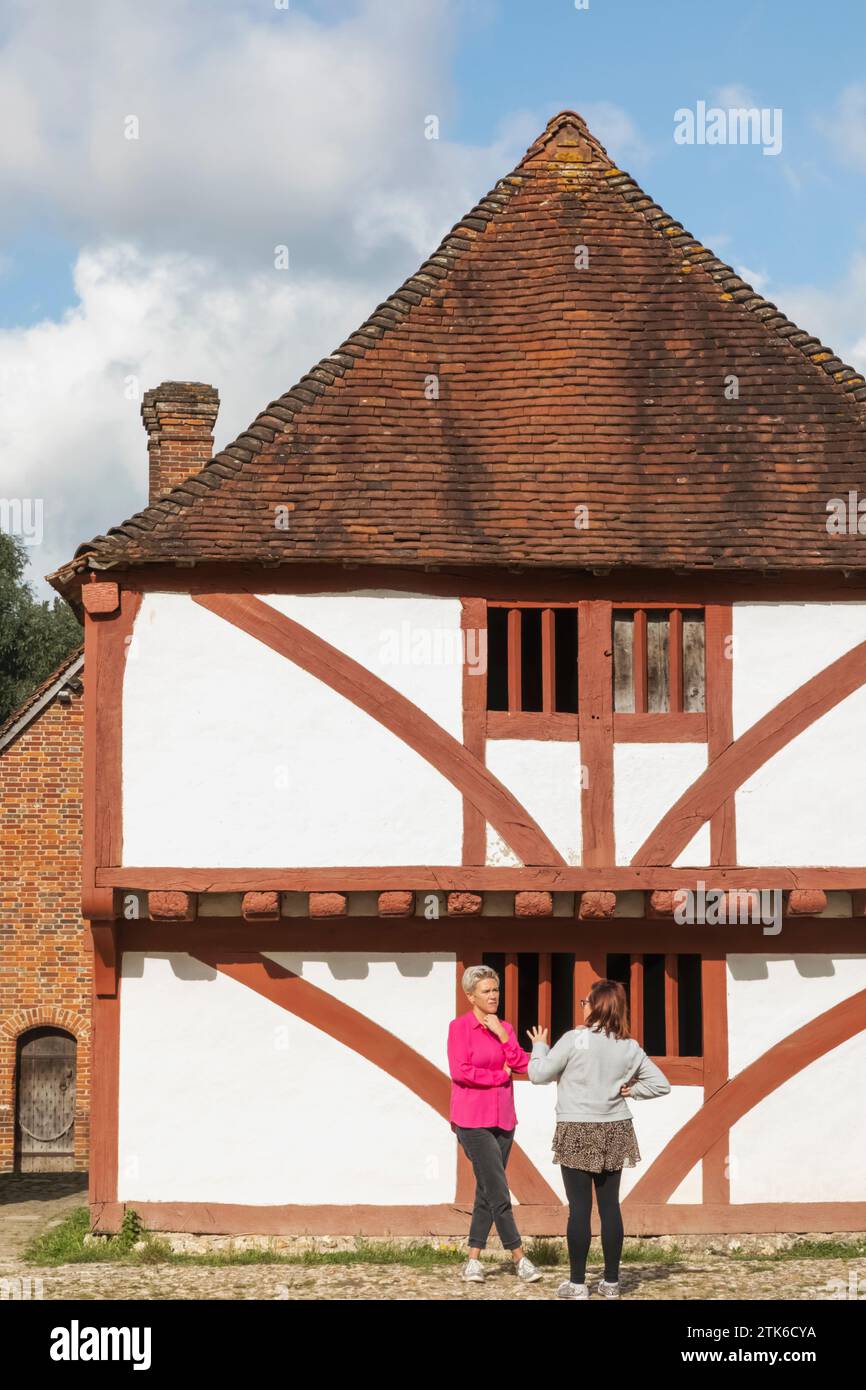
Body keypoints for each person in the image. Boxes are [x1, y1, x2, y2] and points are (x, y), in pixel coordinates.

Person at [528, 979, 671, 1300]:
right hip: (614, 1128)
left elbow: (538, 1075)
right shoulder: (629, 1047)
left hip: (577, 1128)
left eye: (585, 1001)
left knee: (579, 1209)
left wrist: (539, 1046)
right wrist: (633, 1090)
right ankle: (611, 1283)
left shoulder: (574, 1039)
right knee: (610, 1208)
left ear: (597, 1006)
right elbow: (661, 1085)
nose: (583, 1006)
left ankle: (578, 1285)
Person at [447, 964, 542, 1284]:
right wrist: (499, 1076)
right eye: (486, 991)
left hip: (503, 1118)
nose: (493, 996)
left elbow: (521, 1064)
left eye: (495, 990)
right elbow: (461, 1072)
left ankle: (472, 1260)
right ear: (470, 995)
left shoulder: (506, 1028)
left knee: (487, 1189)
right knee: (498, 1189)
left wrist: (503, 1036)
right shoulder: (458, 1028)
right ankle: (519, 1257)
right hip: (472, 1121)